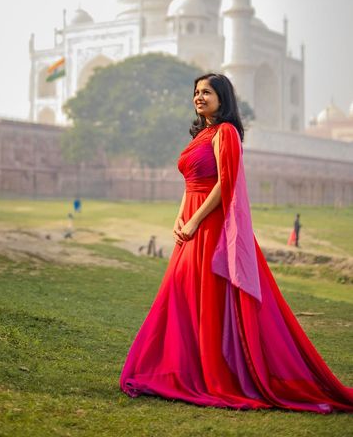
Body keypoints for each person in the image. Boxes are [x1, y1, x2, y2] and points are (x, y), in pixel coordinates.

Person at [119, 73, 353, 413]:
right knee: (184, 296)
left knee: (212, 299)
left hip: (211, 230)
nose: (199, 97)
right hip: (190, 226)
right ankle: (187, 367)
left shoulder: (225, 132)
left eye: (207, 92)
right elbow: (193, 185)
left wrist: (196, 220)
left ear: (222, 97)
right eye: (196, 92)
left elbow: (225, 182)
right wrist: (179, 218)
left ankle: (219, 372)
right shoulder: (204, 134)